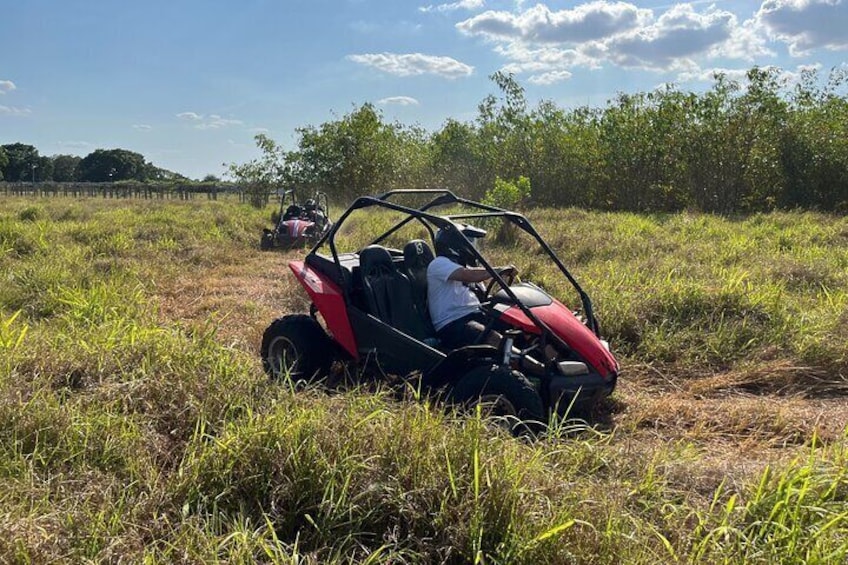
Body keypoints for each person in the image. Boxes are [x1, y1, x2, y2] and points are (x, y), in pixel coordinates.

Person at [427, 224, 516, 350]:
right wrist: (497, 270)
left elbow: (483, 295)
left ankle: (550, 361)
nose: (473, 247)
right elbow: (467, 275)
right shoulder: (439, 264)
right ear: (455, 244)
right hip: (453, 323)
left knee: (520, 326)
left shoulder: (467, 267)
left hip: (476, 314)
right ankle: (537, 368)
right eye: (469, 242)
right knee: (493, 338)